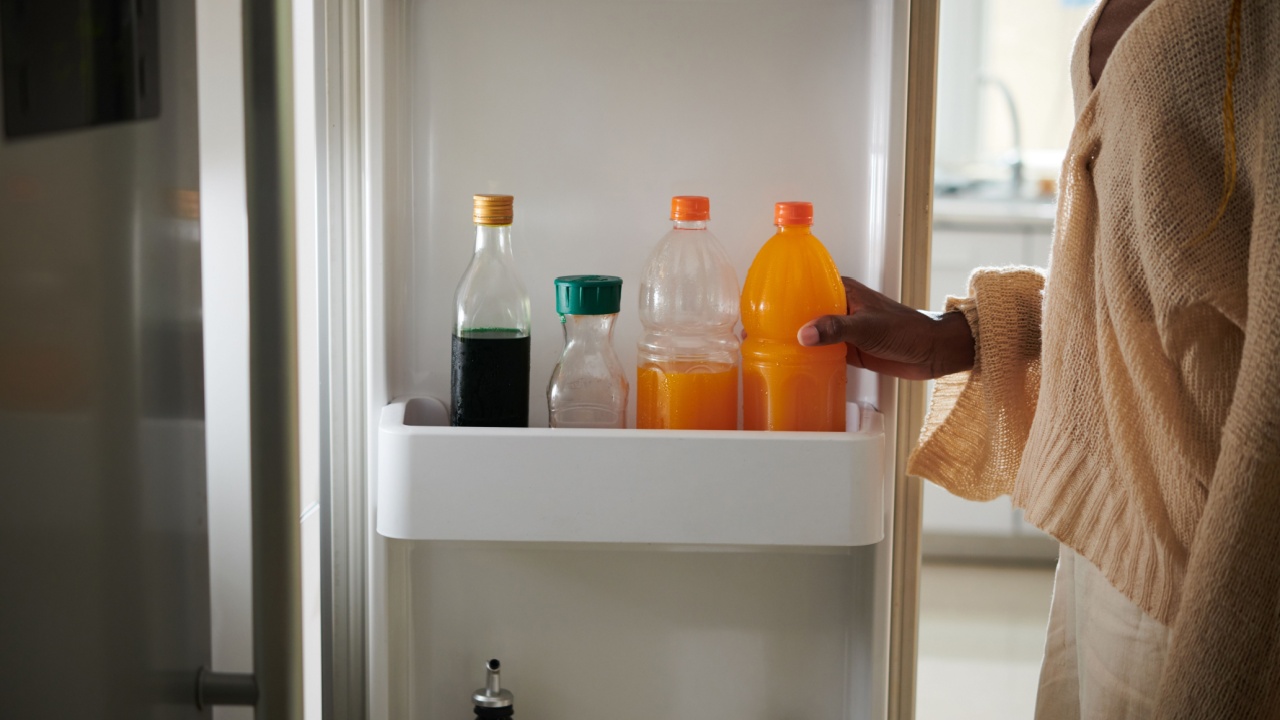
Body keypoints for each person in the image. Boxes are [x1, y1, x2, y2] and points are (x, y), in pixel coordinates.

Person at [798, 0, 1279, 717]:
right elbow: (1140, 277)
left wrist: (1224, 663)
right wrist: (957, 336)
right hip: (1106, 535)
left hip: (1209, 572)